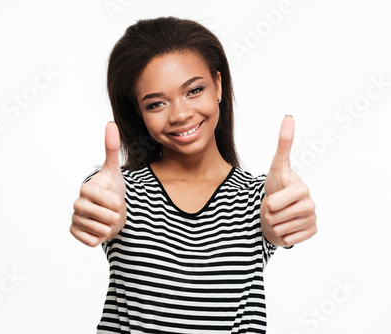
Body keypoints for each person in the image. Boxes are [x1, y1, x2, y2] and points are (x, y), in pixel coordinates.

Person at [70, 16, 317, 333]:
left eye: (194, 90)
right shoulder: (118, 192)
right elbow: (103, 210)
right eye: (156, 103)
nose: (181, 114)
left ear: (217, 85)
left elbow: (277, 224)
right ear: (139, 113)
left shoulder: (258, 199)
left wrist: (288, 214)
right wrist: (98, 213)